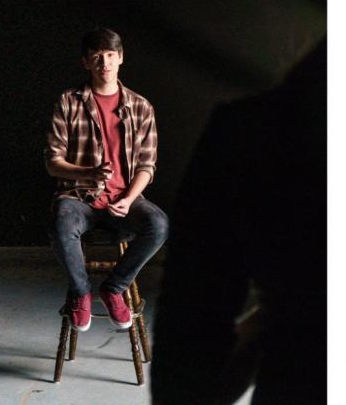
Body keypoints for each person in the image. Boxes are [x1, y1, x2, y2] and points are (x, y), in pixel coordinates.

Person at [150, 38, 327, 404]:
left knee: (154, 226)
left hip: (293, 383)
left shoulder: (254, 131)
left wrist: (285, 317)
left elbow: (184, 372)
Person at [44, 27, 168, 332]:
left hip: (124, 200)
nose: (105, 63)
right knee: (60, 218)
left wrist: (128, 199)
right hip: (79, 198)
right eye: (97, 56)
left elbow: (147, 166)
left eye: (111, 55)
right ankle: (81, 292)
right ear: (85, 62)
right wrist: (87, 173)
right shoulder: (68, 102)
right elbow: (52, 162)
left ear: (121, 58)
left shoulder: (141, 107)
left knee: (159, 224)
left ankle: (114, 288)